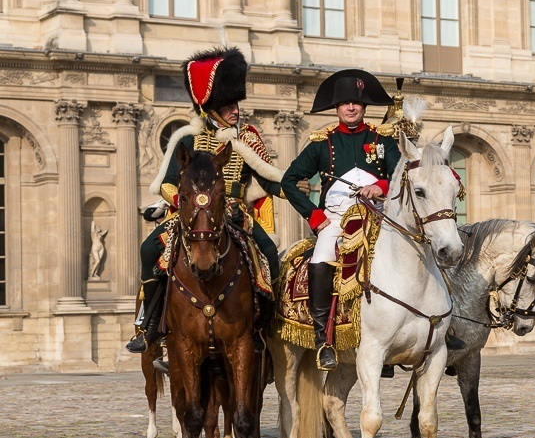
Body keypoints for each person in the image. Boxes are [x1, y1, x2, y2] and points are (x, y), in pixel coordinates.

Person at [126, 46, 290, 355]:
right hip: (192, 216)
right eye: (228, 105)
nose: (235, 110)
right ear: (211, 108)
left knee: (269, 254)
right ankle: (150, 325)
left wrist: (296, 188)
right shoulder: (188, 140)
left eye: (236, 104)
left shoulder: (247, 139)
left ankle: (264, 328)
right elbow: (166, 184)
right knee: (149, 250)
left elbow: (269, 180)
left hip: (236, 214)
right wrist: (185, 200)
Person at [281, 69, 400, 370]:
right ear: (337, 108)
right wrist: (314, 215)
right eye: (346, 103)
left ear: (364, 107)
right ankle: (324, 342)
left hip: (378, 217)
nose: (351, 108)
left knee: (418, 249)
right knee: (320, 259)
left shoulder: (381, 139)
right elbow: (289, 180)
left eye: (357, 103)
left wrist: (381, 186)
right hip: (335, 220)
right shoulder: (322, 143)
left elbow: (402, 175)